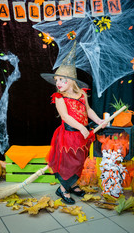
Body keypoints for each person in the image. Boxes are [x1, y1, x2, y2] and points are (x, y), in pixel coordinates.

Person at [41, 43, 106, 204]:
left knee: (80, 161)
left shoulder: (82, 94)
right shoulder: (59, 97)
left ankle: (73, 185)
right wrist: (81, 127)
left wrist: (98, 121)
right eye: (57, 80)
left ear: (72, 81)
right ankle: (63, 190)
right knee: (68, 162)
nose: (58, 84)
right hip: (69, 135)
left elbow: (88, 110)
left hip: (82, 135)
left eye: (62, 80)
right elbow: (66, 117)